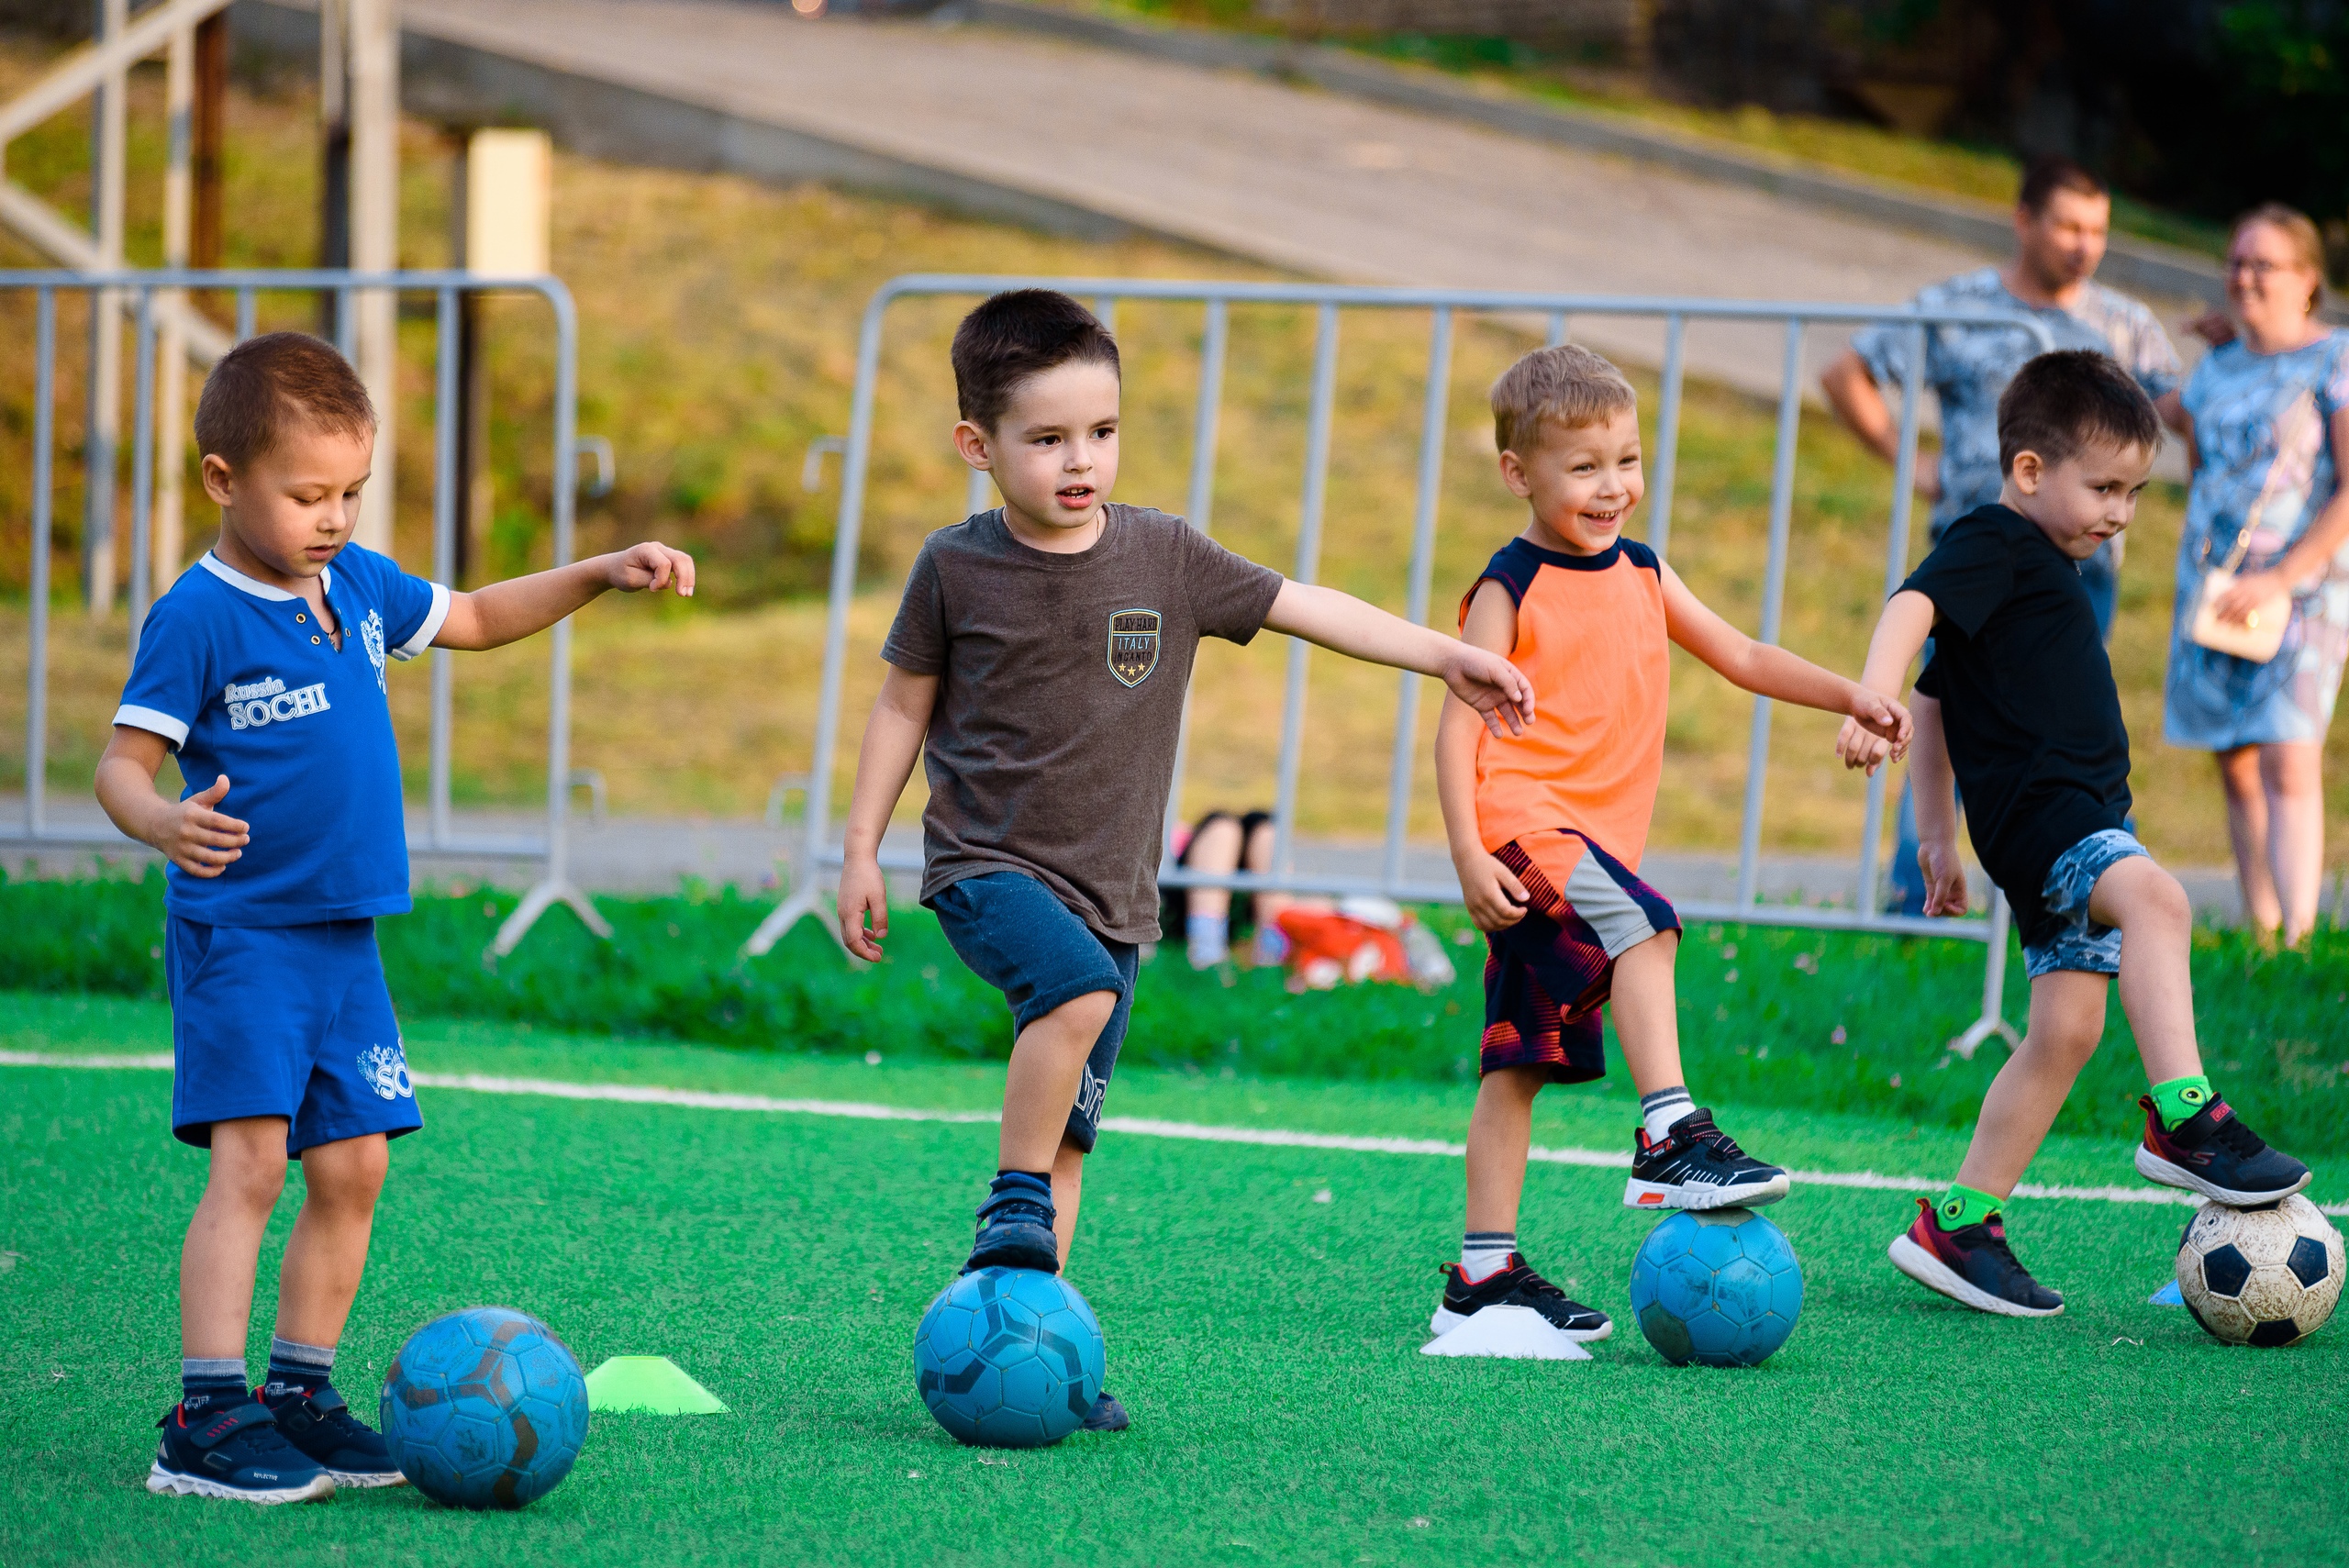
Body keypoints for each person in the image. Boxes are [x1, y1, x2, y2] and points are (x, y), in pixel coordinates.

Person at [834, 290, 1536, 1427]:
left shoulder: (1163, 554)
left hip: (1117, 898)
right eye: (1047, 438)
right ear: (978, 446)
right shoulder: (954, 567)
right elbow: (899, 704)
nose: (1080, 461)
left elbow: (1309, 605)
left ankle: (1038, 1349)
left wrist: (1444, 655)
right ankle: (1003, 1202)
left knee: (1073, 1140)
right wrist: (862, 843)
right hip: (987, 865)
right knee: (1067, 996)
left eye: (1101, 433)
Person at [97, 332, 695, 1503]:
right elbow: (122, 765)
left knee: (355, 1165)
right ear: (224, 480)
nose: (333, 516)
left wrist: (593, 570)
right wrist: (160, 821)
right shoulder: (197, 615)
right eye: (306, 493)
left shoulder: (358, 582)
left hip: (345, 936)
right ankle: (205, 1415)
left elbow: (471, 614)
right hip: (247, 937)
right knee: (253, 1164)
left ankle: (299, 1392)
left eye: (352, 492)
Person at [1430, 345, 1911, 1344]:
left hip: (1585, 845)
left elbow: (1740, 654)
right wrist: (1467, 854)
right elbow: (1454, 727)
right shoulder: (1506, 583)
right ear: (1519, 472)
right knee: (1646, 925)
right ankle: (1668, 1129)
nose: (1613, 487)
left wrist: (1851, 690)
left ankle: (1481, 1271)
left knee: (1518, 1060)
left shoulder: (1643, 570)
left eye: (1627, 461)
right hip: (1524, 826)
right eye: (1584, 467)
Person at [1838, 350, 2312, 1318]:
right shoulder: (1993, 540)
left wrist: (1933, 838)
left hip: (2067, 823)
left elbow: (1933, 704)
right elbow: (1907, 611)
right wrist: (1865, 693)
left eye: (2134, 492)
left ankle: (1961, 1224)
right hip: (2055, 821)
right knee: (2158, 897)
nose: (2119, 512)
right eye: (2102, 487)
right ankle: (2186, 1116)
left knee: (2065, 1028)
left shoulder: (2039, 573)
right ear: (2026, 472)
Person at [1821, 153, 2186, 914]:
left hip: (2083, 567)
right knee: (1950, 704)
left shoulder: (2124, 323)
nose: (2085, 244)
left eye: (2098, 230)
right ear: (2024, 220)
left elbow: (2173, 413)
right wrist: (1906, 461)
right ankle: (1918, 888)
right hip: (1976, 564)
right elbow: (1846, 371)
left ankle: (2081, 868)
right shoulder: (1959, 305)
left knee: (2054, 712)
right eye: (2068, 225)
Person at [2162, 203, 2349, 947]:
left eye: (2263, 264)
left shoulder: (2336, 357)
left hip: (2304, 585)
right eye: (2236, 262)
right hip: (2216, 580)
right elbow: (2189, 444)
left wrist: (2285, 578)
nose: (2244, 276)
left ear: (2307, 280)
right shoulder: (2219, 364)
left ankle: (2301, 935)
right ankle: (2261, 929)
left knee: (2287, 751)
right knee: (2235, 759)